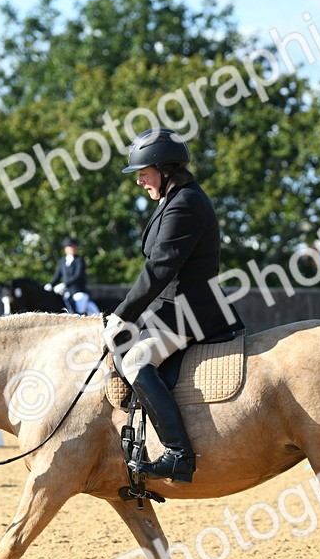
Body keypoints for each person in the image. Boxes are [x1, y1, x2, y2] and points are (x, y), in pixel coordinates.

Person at [102, 128, 244, 483]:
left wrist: (123, 314)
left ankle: (178, 454)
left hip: (192, 310)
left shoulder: (186, 203)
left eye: (142, 172)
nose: (138, 181)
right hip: (171, 307)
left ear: (164, 169)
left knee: (136, 359)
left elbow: (160, 268)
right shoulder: (173, 199)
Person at [45, 237, 98, 314]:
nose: (73, 249)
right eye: (70, 247)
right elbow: (57, 275)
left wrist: (64, 284)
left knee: (80, 309)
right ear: (65, 249)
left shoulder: (79, 260)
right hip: (66, 292)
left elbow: (78, 276)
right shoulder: (62, 261)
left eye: (74, 247)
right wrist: (50, 284)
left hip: (78, 292)